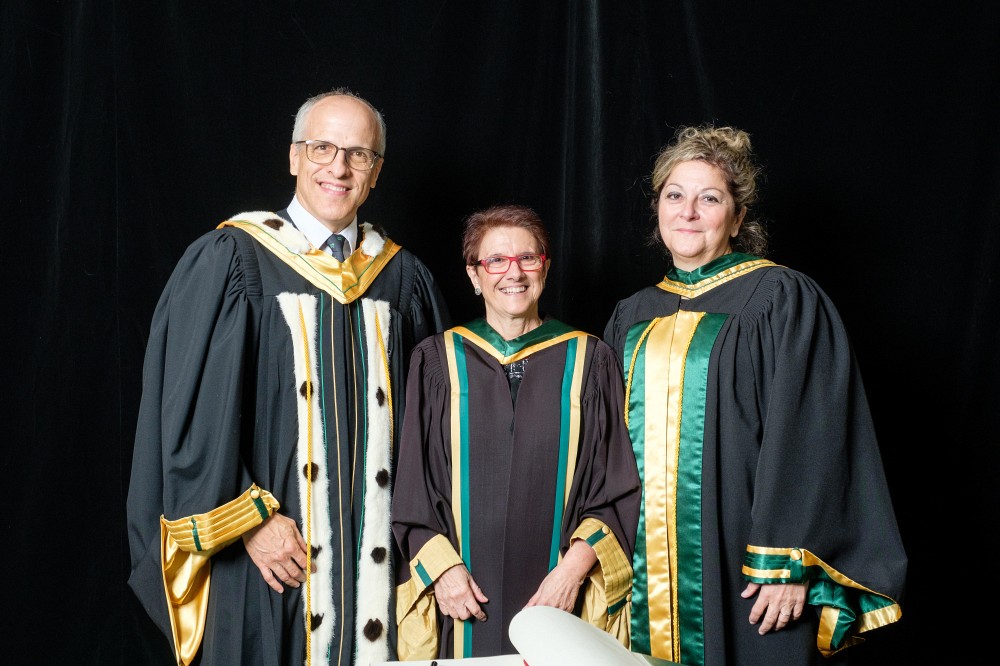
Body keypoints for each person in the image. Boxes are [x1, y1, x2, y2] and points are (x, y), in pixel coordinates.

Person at [126, 87, 450, 666]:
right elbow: (189, 418)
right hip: (272, 562)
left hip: (379, 571)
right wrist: (247, 521)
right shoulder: (233, 259)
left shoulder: (404, 279)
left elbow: (435, 430)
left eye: (359, 154)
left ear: (376, 173)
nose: (339, 167)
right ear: (295, 156)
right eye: (323, 147)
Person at [603, 125, 907, 666]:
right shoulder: (632, 313)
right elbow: (601, 445)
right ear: (658, 210)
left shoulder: (780, 297)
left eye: (709, 198)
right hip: (644, 570)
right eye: (674, 195)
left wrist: (788, 561)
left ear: (738, 218)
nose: (688, 212)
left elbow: (813, 433)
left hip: (744, 568)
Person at [391, 204, 642, 660]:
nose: (515, 273)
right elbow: (413, 492)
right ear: (474, 275)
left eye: (528, 258)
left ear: (545, 267)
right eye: (496, 261)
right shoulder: (435, 361)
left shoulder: (590, 360)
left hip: (562, 600)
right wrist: (443, 572)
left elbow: (616, 491)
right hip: (462, 604)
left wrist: (571, 576)